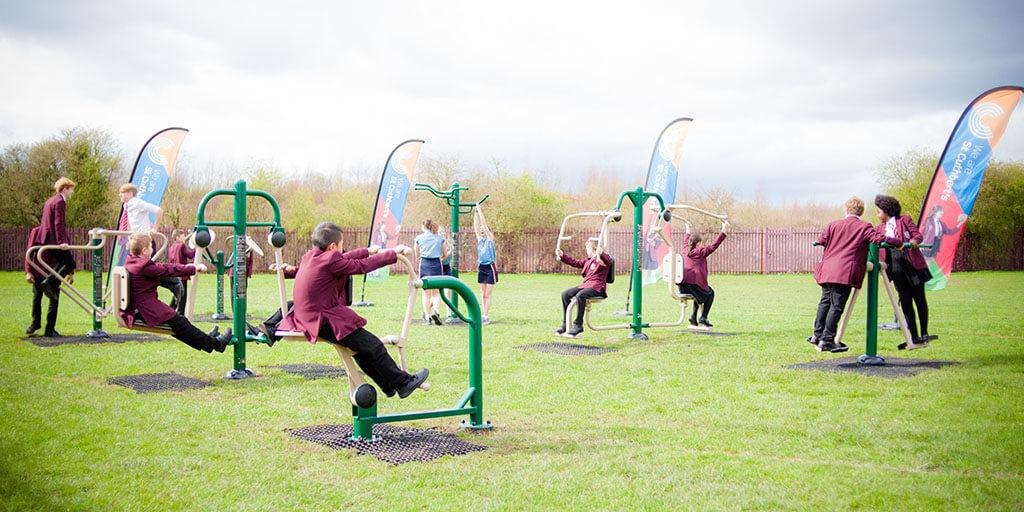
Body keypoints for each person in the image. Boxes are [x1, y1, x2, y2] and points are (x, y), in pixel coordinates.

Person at [277, 222, 428, 399]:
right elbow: (362, 266)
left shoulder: (310, 256)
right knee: (373, 345)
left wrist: (367, 250)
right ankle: (403, 384)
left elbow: (346, 257)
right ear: (332, 246)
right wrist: (392, 254)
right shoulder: (331, 260)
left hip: (307, 317)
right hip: (323, 319)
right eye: (341, 245)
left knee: (362, 349)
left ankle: (388, 386)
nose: (342, 249)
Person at [810, 197, 900, 352]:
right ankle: (827, 339)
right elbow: (878, 239)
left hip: (827, 269)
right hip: (844, 271)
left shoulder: (833, 225)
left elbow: (822, 240)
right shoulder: (864, 226)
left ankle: (817, 335)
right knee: (836, 306)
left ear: (846, 210)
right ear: (862, 212)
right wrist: (898, 242)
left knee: (825, 301)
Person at [123, 233, 231, 353]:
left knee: (178, 325)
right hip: (146, 310)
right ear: (144, 251)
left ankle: (207, 339)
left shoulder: (131, 261)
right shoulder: (144, 266)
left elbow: (164, 267)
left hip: (137, 309)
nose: (152, 249)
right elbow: (168, 269)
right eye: (150, 246)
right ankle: (217, 344)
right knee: (179, 323)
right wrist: (194, 268)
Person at [874, 195, 936, 349]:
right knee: (905, 303)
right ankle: (913, 337)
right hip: (896, 269)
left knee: (919, 298)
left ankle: (924, 333)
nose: (877, 215)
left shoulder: (904, 220)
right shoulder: (880, 228)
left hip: (912, 265)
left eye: (879, 211)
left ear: (886, 211)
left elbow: (918, 236)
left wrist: (913, 243)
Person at [118, 183, 182, 307]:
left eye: (122, 192)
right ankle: (130, 302)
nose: (120, 194)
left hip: (145, 242)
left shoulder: (137, 203)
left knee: (147, 271)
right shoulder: (126, 206)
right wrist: (129, 239)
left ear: (130, 194)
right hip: (135, 242)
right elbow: (131, 224)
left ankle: (174, 284)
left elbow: (158, 211)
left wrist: (155, 228)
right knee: (134, 272)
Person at [556, 238, 614, 337]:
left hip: (597, 287)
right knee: (565, 294)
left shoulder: (602, 259)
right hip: (586, 285)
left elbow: (609, 262)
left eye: (587, 249)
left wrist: (602, 253)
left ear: (594, 249)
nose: (586, 252)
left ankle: (578, 325)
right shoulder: (588, 261)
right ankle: (566, 324)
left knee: (580, 295)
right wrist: (562, 256)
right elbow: (575, 263)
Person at [678, 220, 728, 328]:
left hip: (683, 286)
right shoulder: (700, 252)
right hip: (694, 283)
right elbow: (714, 245)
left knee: (699, 294)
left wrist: (687, 228)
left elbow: (686, 240)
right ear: (698, 243)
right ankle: (703, 317)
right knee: (710, 294)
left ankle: (693, 317)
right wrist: (723, 231)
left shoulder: (685, 250)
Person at [37, 177, 77, 299]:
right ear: (65, 189)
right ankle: (50, 282)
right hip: (54, 239)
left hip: (46, 237)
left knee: (62, 262)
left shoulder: (50, 200)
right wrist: (62, 241)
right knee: (70, 263)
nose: (72, 192)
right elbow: (58, 223)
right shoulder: (60, 201)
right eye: (71, 189)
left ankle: (50, 282)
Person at [24, 227, 62, 337]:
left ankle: (50, 328)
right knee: (37, 297)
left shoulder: (60, 232)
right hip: (39, 271)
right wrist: (28, 272)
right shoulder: (37, 232)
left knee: (54, 299)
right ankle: (35, 323)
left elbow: (67, 252)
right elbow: (30, 251)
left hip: (54, 272)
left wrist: (71, 272)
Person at [414, 219, 449, 325]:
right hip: (436, 264)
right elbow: (445, 253)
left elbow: (417, 254)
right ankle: (436, 311)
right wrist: (439, 257)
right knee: (437, 292)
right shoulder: (440, 238)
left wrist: (421, 257)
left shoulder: (419, 238)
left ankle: (427, 316)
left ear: (423, 227)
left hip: (424, 264)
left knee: (425, 293)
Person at [473, 205, 497, 324]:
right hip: (481, 267)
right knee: (482, 294)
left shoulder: (490, 239)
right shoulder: (479, 240)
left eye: (484, 228)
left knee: (488, 294)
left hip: (490, 267)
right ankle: (484, 314)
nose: (481, 229)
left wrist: (480, 210)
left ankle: (486, 315)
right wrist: (475, 213)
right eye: (481, 229)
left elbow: (483, 223)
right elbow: (475, 226)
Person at [166, 229, 196, 315]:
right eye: (182, 236)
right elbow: (190, 255)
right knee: (182, 296)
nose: (184, 238)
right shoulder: (181, 246)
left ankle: (169, 311)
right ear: (177, 237)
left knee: (177, 294)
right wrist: (196, 248)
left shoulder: (171, 247)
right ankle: (180, 314)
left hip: (174, 275)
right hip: (181, 274)